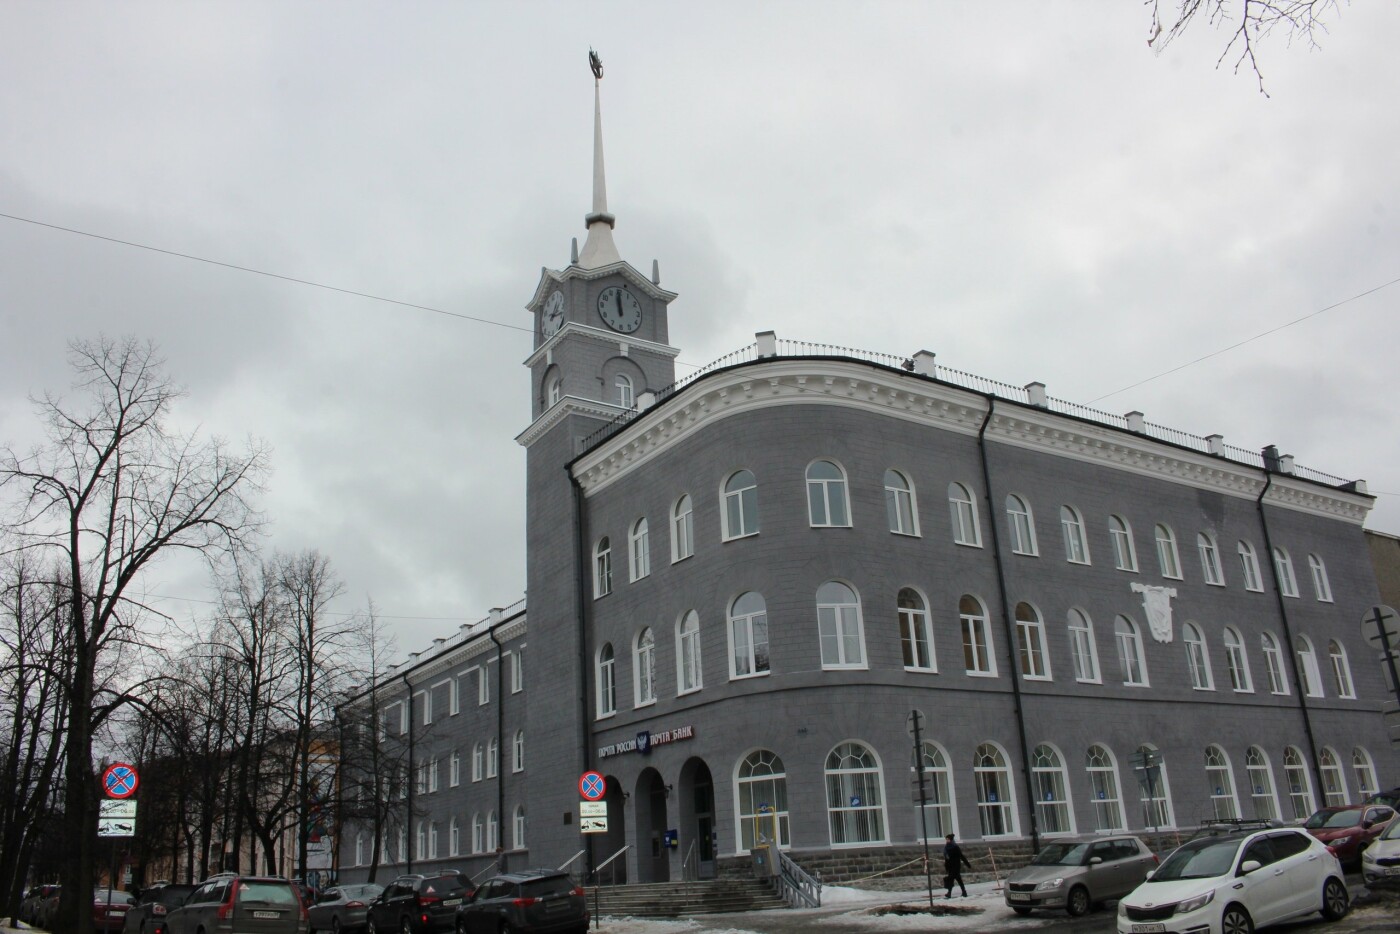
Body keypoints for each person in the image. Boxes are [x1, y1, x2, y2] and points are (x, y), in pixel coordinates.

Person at [943, 833, 972, 898]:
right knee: (956, 879)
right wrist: (946, 867)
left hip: (956, 866)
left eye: (948, 839)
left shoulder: (955, 847)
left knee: (954, 879)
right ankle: (963, 892)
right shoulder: (946, 847)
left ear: (951, 840)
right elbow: (946, 858)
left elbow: (961, 856)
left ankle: (951, 893)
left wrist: (967, 864)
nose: (947, 840)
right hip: (950, 866)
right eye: (946, 839)